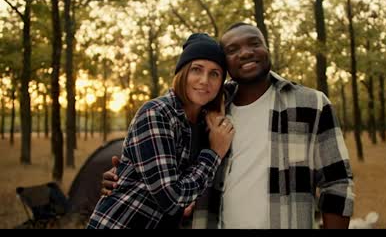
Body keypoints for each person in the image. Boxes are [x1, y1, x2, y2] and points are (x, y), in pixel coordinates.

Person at [101, 23, 355, 229]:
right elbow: (174, 179)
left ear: (267, 48)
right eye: (233, 49)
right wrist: (126, 178)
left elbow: (337, 181)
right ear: (227, 66)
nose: (245, 52)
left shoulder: (311, 104)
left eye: (254, 43)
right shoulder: (209, 111)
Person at [86, 33, 235, 229]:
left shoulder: (204, 121)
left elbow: (248, 84)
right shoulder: (157, 113)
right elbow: (172, 199)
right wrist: (215, 153)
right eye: (196, 70)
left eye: (215, 73)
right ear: (182, 74)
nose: (204, 80)